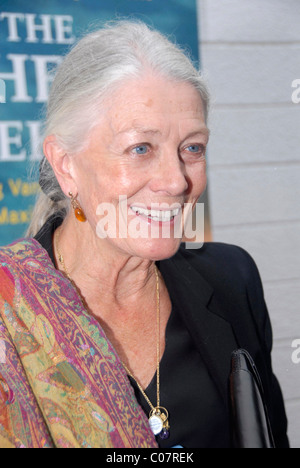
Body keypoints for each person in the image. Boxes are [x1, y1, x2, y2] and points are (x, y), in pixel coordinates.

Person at [0, 20, 288, 449]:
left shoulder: (232, 278)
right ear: (66, 164)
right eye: (141, 148)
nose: (175, 181)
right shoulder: (10, 309)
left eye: (192, 148)